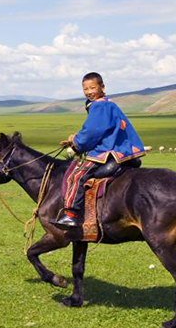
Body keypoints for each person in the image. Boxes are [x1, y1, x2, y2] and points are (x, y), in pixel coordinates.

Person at [53, 72, 146, 228]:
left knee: (76, 176)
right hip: (120, 149)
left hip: (107, 151)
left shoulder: (99, 105)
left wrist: (76, 143)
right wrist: (76, 137)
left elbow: (92, 132)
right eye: (85, 89)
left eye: (92, 87)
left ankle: (71, 213)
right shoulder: (107, 104)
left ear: (102, 87)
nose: (89, 92)